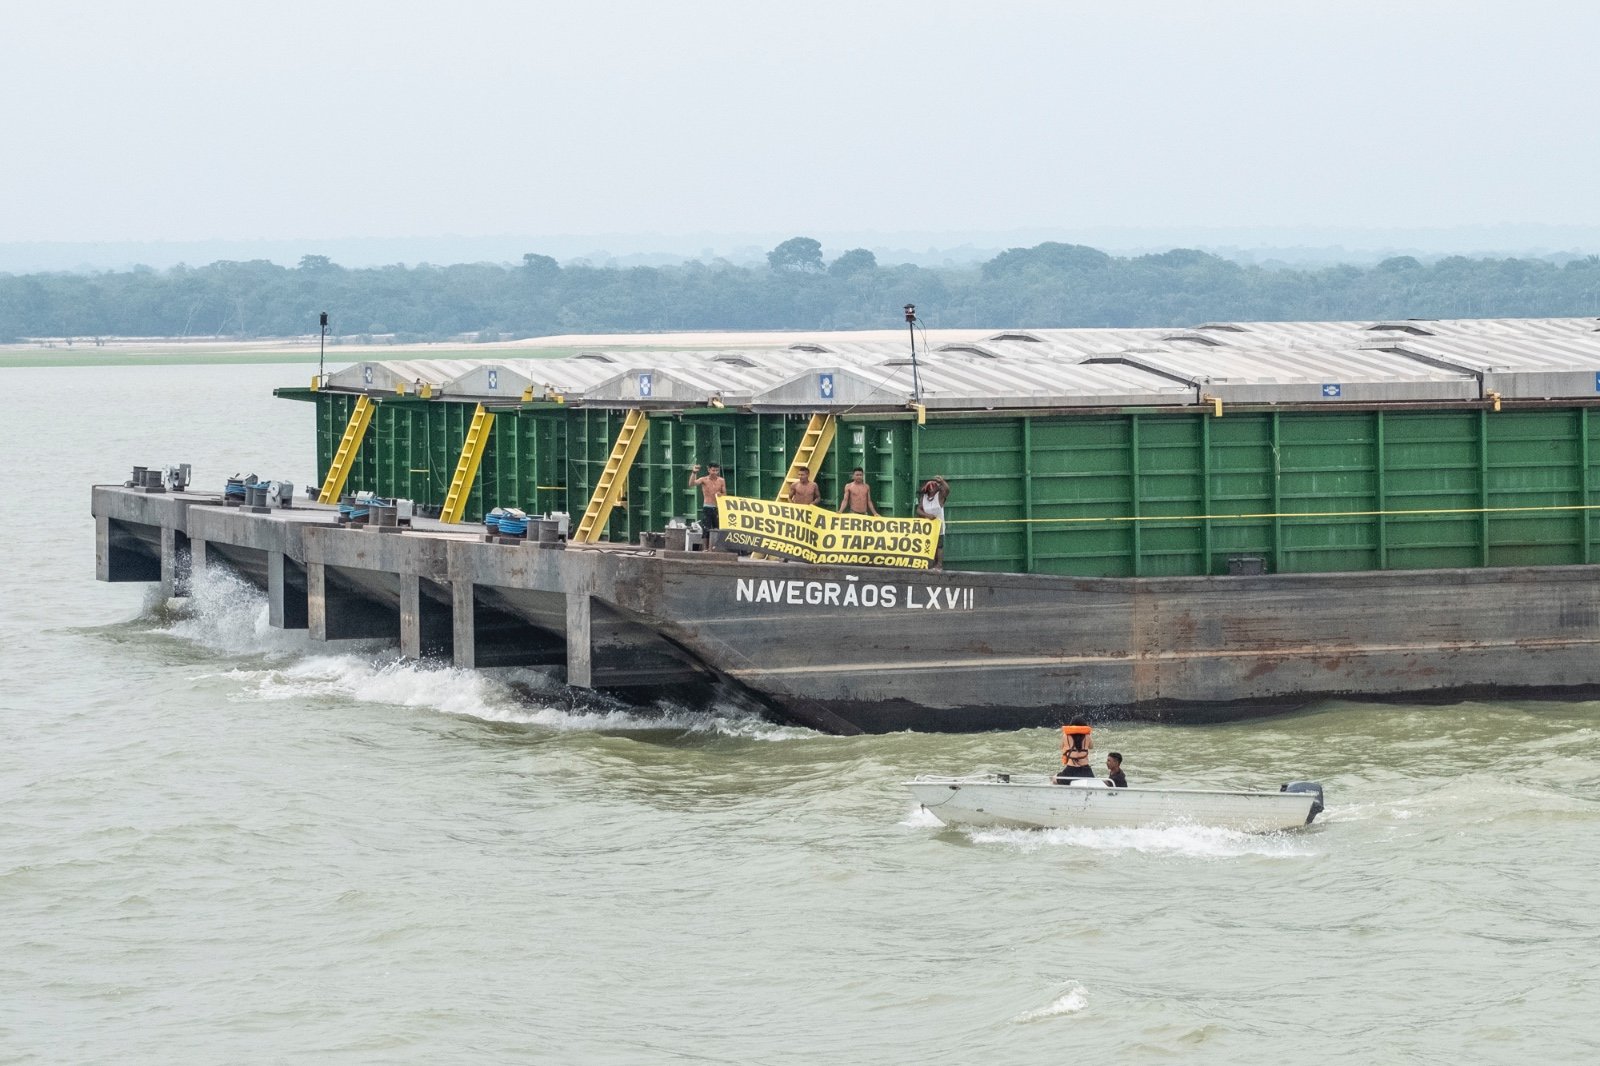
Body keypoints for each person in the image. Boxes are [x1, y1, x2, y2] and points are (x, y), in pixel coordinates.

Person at [687, 462, 726, 546]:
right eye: (713, 470)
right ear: (709, 470)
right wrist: (694, 472)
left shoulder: (721, 480)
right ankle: (705, 547)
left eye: (716, 470)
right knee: (706, 527)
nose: (715, 472)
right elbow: (691, 484)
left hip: (717, 507)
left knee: (717, 527)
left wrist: (720, 494)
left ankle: (716, 546)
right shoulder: (704, 479)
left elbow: (724, 494)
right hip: (707, 506)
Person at [916, 475, 950, 569]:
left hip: (938, 527)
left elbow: (947, 490)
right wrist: (927, 515)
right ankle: (929, 564)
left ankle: (939, 564)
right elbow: (918, 510)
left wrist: (942, 481)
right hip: (927, 528)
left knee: (939, 546)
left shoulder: (939, 497)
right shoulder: (924, 497)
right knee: (929, 546)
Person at [1054, 718, 1095, 783]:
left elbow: (1061, 747)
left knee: (1054, 779)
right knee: (1092, 782)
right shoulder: (1087, 736)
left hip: (1070, 770)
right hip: (1085, 770)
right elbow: (1091, 747)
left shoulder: (1065, 736)